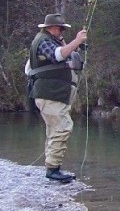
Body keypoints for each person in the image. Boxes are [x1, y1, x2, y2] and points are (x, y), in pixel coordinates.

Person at [28, 13, 87, 182]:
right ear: (50, 28)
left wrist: (71, 45)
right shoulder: (43, 41)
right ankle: (53, 170)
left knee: (54, 130)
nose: (62, 31)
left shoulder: (50, 40)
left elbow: (63, 54)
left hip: (53, 95)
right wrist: (76, 41)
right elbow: (57, 55)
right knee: (62, 128)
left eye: (63, 29)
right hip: (50, 95)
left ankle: (53, 167)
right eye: (60, 28)